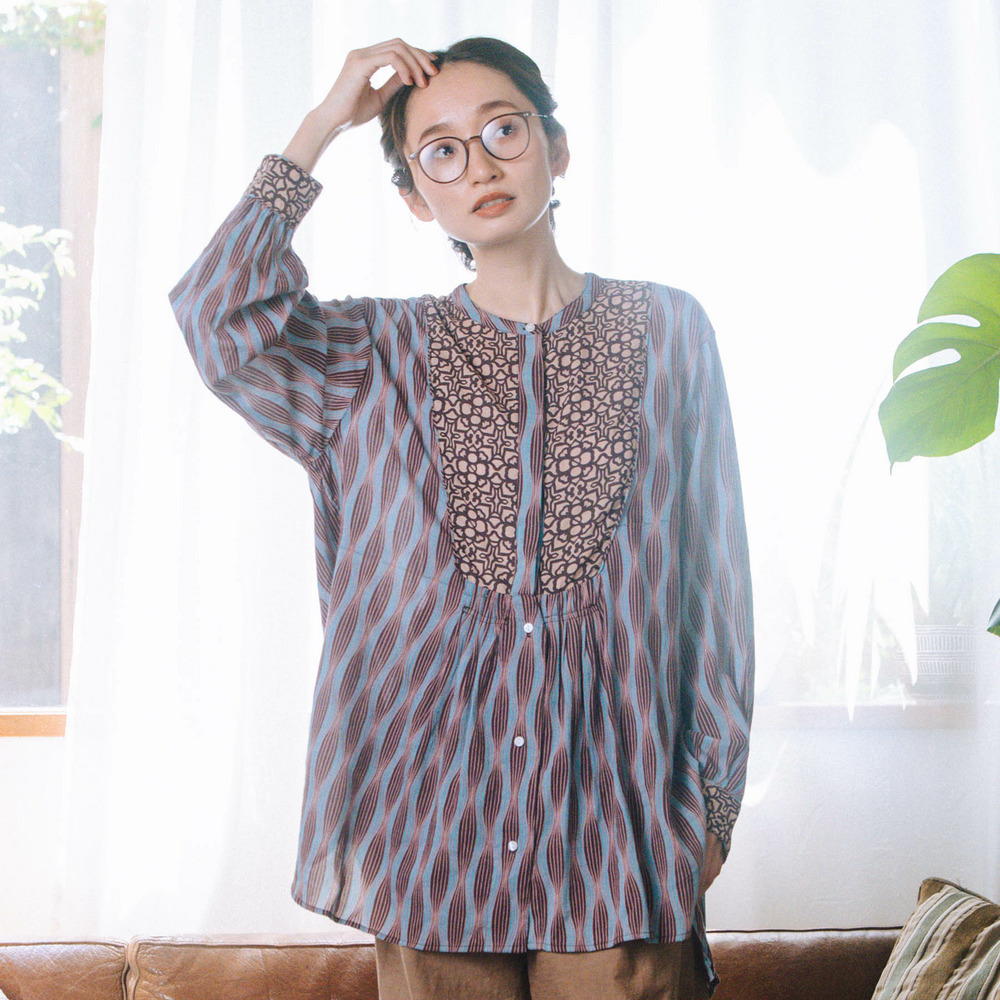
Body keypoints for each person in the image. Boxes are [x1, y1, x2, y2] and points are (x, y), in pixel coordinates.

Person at [170, 36, 754, 1000]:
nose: (479, 165)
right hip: (428, 838)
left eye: (502, 132)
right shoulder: (365, 354)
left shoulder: (670, 332)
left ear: (555, 148)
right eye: (440, 151)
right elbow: (217, 317)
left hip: (622, 839)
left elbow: (715, 584)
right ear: (414, 198)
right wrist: (324, 123)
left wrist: (712, 814)